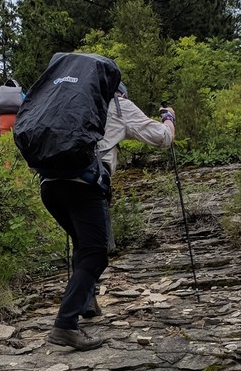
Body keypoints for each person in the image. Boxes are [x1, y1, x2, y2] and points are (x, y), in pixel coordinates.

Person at [41, 87, 175, 350]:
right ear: (119, 90)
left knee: (83, 242)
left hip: (49, 184)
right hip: (84, 184)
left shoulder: (66, 101)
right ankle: (65, 324)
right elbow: (163, 138)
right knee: (95, 253)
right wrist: (168, 117)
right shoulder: (117, 104)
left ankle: (87, 303)